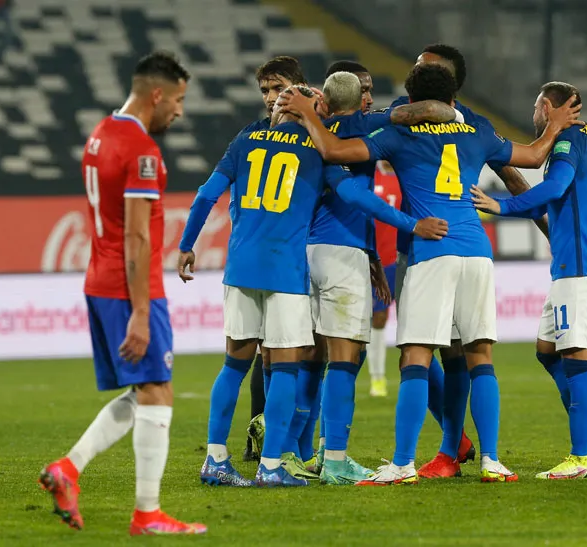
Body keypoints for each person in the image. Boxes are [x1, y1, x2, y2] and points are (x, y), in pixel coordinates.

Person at [278, 63, 581, 485]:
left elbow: (335, 151)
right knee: (480, 356)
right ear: (452, 96)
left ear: (414, 100)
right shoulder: (477, 132)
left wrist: (309, 114)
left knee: (415, 357)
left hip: (432, 248)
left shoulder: (399, 134)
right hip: (476, 250)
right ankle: (493, 461)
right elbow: (532, 156)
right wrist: (554, 128)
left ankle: (402, 465)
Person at [177, 85, 447, 487]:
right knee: (286, 368)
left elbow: (205, 195)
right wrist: (410, 224)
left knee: (234, 365)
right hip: (285, 272)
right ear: (310, 110)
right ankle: (271, 466)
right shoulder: (316, 147)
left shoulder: (245, 138)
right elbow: (356, 196)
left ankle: (216, 459)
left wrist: (186, 246)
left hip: (239, 269)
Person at [38, 51, 205, 535]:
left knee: (149, 389)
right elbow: (135, 236)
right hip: (130, 286)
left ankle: (68, 471)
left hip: (100, 278)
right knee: (158, 390)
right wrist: (138, 310)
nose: (179, 110)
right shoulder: (142, 151)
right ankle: (147, 514)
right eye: (177, 100)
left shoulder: (100, 134)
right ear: (157, 94)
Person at [390, 43, 549, 479]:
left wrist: (546, 227)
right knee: (446, 354)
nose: (417, 76)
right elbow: (527, 160)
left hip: (429, 245)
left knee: (434, 353)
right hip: (436, 247)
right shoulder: (455, 125)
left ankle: (444, 450)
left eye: (426, 71)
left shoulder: (409, 124)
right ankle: (468, 448)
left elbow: (514, 176)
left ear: (448, 82)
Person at [300, 69, 461, 484]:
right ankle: (335, 459)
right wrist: (412, 224)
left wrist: (374, 261)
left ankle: (307, 451)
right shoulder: (359, 125)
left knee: (315, 356)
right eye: (366, 93)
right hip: (340, 255)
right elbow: (356, 194)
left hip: (310, 251)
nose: (372, 101)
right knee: (345, 358)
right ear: (354, 99)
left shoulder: (308, 131)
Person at [470, 81, 587, 480]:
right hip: (571, 265)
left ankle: (581, 458)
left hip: (581, 268)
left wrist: (502, 205)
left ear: (547, 107)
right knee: (547, 351)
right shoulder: (573, 140)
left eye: (536, 108)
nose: (533, 115)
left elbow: (554, 188)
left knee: (577, 357)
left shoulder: (568, 141)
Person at [238, 56, 308, 463]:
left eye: (276, 88)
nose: (269, 98)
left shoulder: (318, 133)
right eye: (263, 90)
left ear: (297, 87)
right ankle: (259, 440)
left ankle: (297, 442)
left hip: (310, 251)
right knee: (268, 351)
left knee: (305, 352)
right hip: (275, 258)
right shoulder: (251, 135)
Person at [367, 160, 401, 397]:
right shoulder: (370, 174)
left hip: (404, 257)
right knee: (378, 318)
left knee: (413, 320)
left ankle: (416, 374)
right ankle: (377, 378)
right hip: (378, 259)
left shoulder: (406, 174)